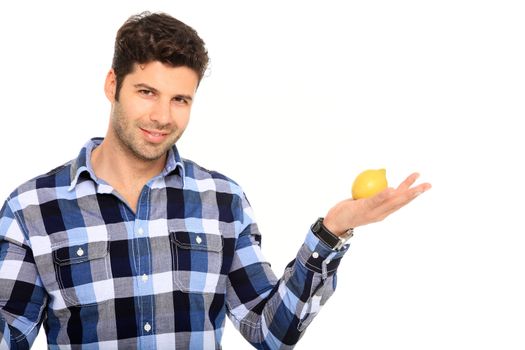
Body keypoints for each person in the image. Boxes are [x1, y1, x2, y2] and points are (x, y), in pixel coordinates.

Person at [0, 11, 431, 350]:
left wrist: (331, 232)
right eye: (146, 92)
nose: (162, 117)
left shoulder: (222, 201)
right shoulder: (32, 209)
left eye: (180, 99)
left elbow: (270, 333)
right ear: (113, 85)